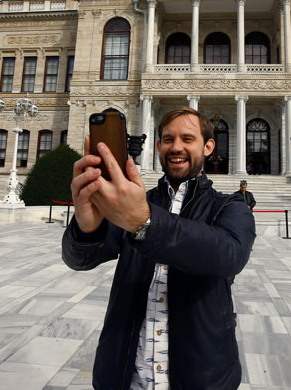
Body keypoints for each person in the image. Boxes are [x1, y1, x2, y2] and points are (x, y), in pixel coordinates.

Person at [62, 107, 256, 389]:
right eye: (168, 139)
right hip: (127, 376)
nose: (176, 147)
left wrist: (145, 222)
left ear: (209, 146)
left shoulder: (229, 206)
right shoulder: (135, 202)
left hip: (201, 377)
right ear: (158, 146)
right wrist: (86, 226)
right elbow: (79, 259)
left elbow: (228, 255)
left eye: (187, 139)